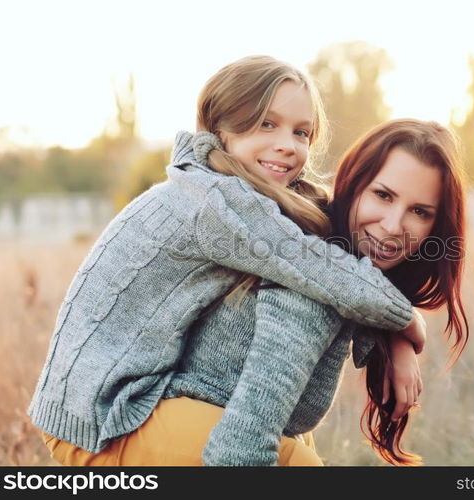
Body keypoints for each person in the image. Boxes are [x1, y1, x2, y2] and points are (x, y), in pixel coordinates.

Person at [29, 56, 424, 462]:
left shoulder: (238, 192)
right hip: (100, 417)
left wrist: (393, 338)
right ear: (220, 127)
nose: (287, 144)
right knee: (295, 462)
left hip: (140, 396)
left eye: (301, 132)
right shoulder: (213, 202)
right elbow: (322, 270)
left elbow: (331, 247)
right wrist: (407, 322)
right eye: (266, 124)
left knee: (293, 444)